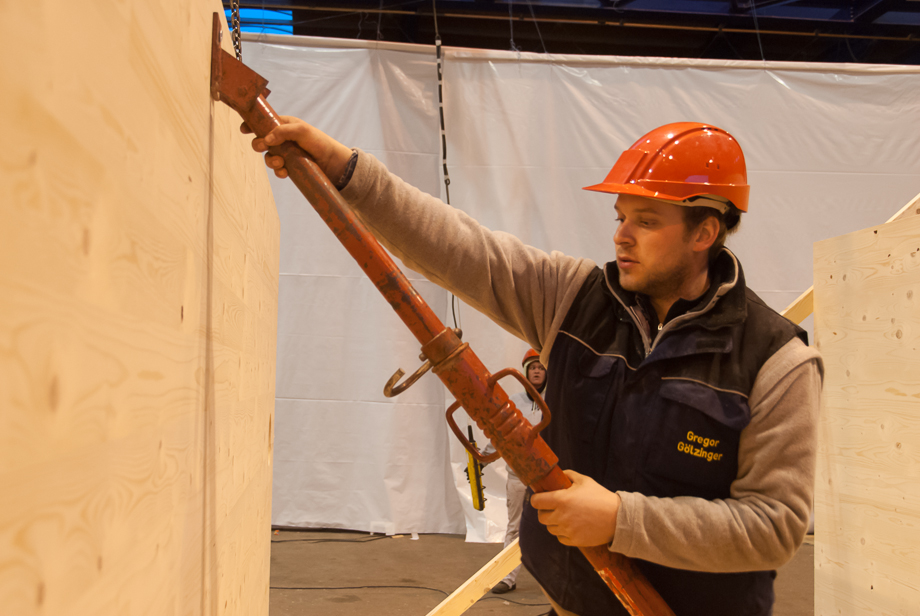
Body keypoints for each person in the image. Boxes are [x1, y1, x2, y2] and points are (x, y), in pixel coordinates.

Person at [245, 118, 823, 616]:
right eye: (620, 216)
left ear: (705, 231)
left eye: (646, 221)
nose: (621, 235)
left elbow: (773, 527)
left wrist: (622, 519)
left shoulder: (777, 361)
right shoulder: (575, 298)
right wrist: (345, 170)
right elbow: (460, 248)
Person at [482, 349, 547, 595]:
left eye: (541, 367)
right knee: (514, 528)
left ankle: (560, 582)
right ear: (525, 372)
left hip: (546, 477)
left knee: (557, 528)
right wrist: (483, 459)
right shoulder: (514, 401)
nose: (537, 371)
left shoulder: (556, 399)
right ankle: (507, 577)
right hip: (518, 476)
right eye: (533, 367)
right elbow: (500, 432)